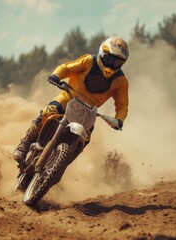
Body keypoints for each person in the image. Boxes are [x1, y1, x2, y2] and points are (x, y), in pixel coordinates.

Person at [13, 36, 129, 170]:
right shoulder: (89, 61)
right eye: (109, 59)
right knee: (49, 111)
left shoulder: (121, 81)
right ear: (102, 53)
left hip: (89, 112)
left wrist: (119, 120)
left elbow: (122, 105)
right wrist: (56, 75)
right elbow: (66, 68)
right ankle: (25, 143)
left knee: (85, 140)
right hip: (68, 97)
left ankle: (57, 168)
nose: (111, 64)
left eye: (117, 62)